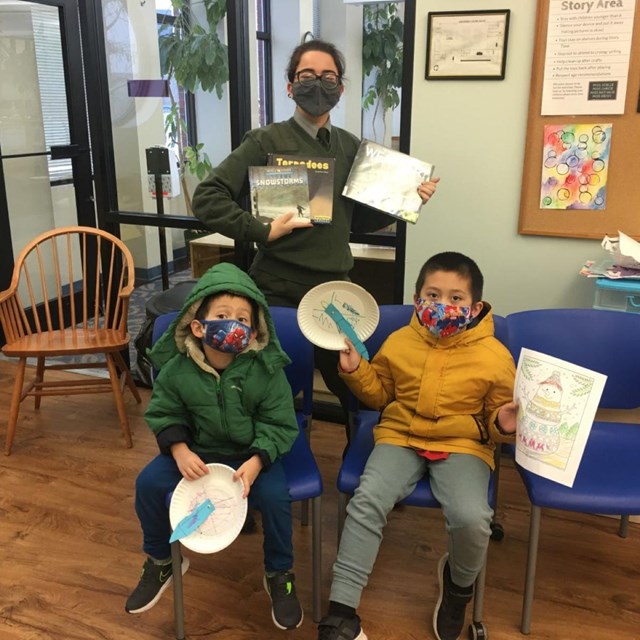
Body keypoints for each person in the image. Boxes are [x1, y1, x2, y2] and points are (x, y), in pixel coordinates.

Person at [191, 39, 439, 438]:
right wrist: (261, 229)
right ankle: (266, 460)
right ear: (290, 86)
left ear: (340, 90)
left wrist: (408, 199)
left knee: (353, 383)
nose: (317, 85)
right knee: (269, 386)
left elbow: (357, 217)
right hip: (277, 289)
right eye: (307, 76)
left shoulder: (350, 147)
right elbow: (207, 198)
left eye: (328, 77)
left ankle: (361, 461)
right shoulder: (264, 141)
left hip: (335, 292)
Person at [317, 252, 519, 640]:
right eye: (433, 294)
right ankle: (341, 610)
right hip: (400, 435)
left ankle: (458, 586)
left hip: (462, 444)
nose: (444, 305)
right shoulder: (399, 341)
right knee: (367, 500)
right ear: (417, 299)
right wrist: (355, 370)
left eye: (456, 298)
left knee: (471, 518)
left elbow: (496, 421)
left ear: (474, 306)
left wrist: (502, 424)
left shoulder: (495, 356)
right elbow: (380, 397)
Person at [125, 262, 303, 631]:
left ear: (254, 331)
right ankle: (162, 561)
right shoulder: (177, 369)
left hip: (252, 456)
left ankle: (279, 573)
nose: (233, 324)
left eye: (242, 318)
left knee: (274, 500)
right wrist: (179, 450)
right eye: (223, 315)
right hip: (197, 452)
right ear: (198, 325)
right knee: (148, 484)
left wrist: (257, 460)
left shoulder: (264, 370)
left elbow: (280, 422)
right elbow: (164, 411)